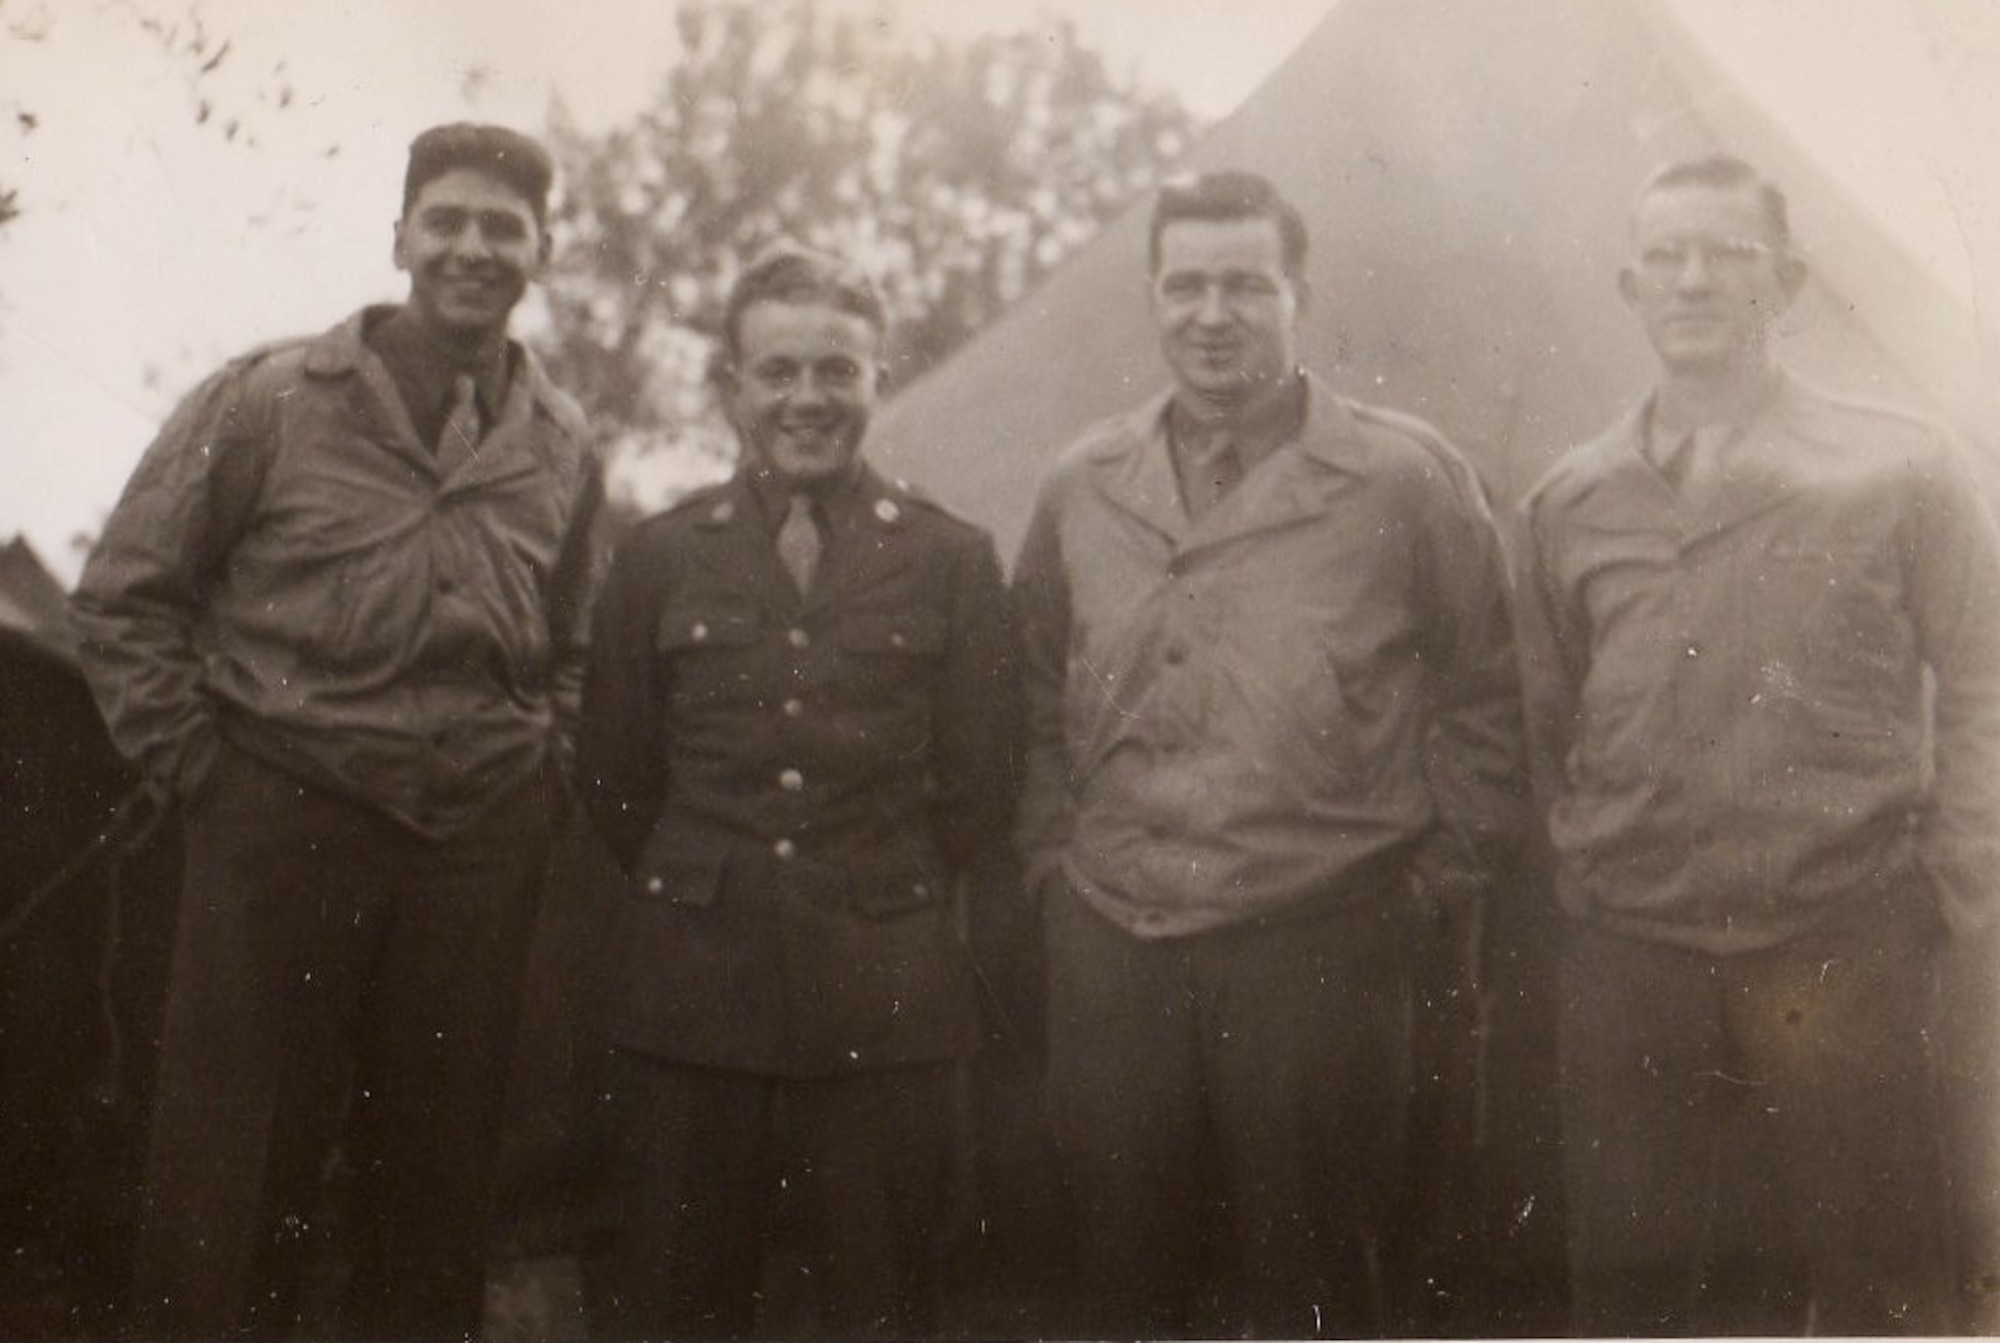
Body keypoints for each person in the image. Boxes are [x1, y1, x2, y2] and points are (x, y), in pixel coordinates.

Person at [70, 123, 604, 1340]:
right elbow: (125, 597)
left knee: (435, 1176)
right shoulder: (268, 398)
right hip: (280, 820)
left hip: (473, 845)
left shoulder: (562, 442)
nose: (472, 248)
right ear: (400, 238)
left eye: (503, 228)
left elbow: (574, 643)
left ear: (541, 252)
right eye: (446, 220)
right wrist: (207, 772)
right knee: (238, 1170)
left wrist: (541, 778)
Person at [1011, 169, 1525, 1338]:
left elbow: (1485, 700)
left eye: (1244, 284)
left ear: (1299, 296)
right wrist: (1050, 865)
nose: (1212, 314)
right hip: (1116, 939)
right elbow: (1033, 681)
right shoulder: (1082, 482)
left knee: (1316, 1284)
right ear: (1152, 297)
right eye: (1184, 285)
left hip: (1318, 940)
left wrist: (1429, 888)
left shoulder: (1402, 476)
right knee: (1122, 1276)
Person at [1513, 152, 2000, 1335]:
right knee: (1639, 1291)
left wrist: (1953, 879)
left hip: (1841, 936)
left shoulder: (1899, 463)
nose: (1692, 280)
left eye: (1725, 254)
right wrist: (1587, 876)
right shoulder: (1569, 498)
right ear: (1629, 287)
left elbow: (1985, 672)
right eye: (1664, 257)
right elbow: (1544, 718)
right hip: (1634, 945)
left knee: (1880, 1286)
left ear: (1782, 283)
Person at [575, 243, 1020, 1339]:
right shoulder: (659, 555)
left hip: (884, 992)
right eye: (777, 371)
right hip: (693, 989)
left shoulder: (951, 559)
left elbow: (981, 782)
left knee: (881, 1301)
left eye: (836, 370)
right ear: (732, 387)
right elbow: (617, 776)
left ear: (878, 379)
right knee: (677, 1299)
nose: (806, 398)